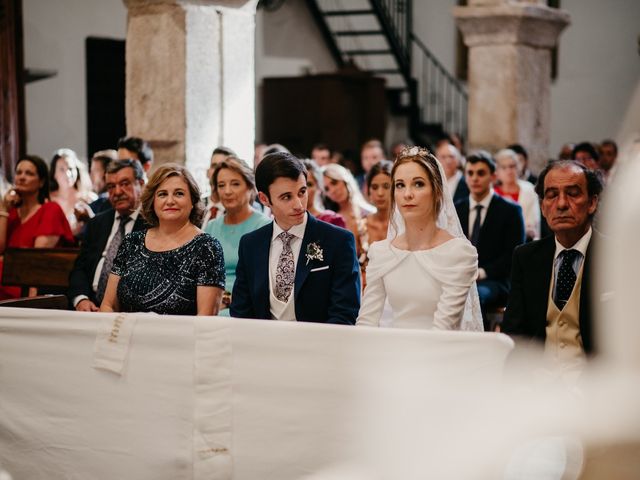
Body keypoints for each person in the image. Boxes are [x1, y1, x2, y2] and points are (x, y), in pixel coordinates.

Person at [357, 147, 482, 331]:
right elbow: (367, 321)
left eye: (418, 184)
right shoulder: (382, 252)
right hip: (388, 352)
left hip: (437, 353)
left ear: (437, 191)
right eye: (400, 185)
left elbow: (444, 326)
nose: (407, 194)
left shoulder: (459, 253)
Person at [230, 152, 360, 324]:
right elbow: (241, 311)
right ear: (264, 199)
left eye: (302, 192)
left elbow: (345, 312)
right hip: (262, 345)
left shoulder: (338, 241)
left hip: (318, 345)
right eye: (286, 197)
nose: (299, 204)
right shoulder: (250, 244)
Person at [502, 160, 604, 363]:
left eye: (573, 193)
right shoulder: (526, 257)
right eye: (552, 195)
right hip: (539, 381)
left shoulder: (613, 257)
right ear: (542, 207)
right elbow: (515, 333)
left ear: (592, 203)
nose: (562, 203)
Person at [100, 164, 225, 315]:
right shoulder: (131, 242)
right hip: (126, 335)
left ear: (192, 201)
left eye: (179, 194)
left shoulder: (207, 247)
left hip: (179, 337)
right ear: (152, 202)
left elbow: (205, 319)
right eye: (162, 194)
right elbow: (108, 306)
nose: (170, 201)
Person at [455, 151, 525, 329]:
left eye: (480, 173)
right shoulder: (457, 209)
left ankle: (478, 345)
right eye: (470, 173)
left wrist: (482, 272)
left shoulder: (510, 210)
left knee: (474, 296)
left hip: (495, 280)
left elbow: (513, 255)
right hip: (460, 277)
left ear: (493, 176)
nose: (474, 178)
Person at [68, 159, 149, 311]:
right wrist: (81, 300)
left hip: (128, 310)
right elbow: (80, 269)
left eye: (125, 183)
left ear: (141, 184)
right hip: (90, 306)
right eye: (111, 186)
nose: (117, 192)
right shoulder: (97, 223)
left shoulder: (152, 225)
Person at [0, 155, 74, 299]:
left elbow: (35, 260)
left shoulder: (50, 210)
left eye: (29, 173)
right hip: (7, 279)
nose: (22, 177)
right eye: (19, 172)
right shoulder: (12, 213)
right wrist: (3, 209)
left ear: (41, 182)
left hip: (31, 283)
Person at [204, 157, 270, 314]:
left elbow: (261, 284)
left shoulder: (263, 226)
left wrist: (225, 300)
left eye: (235, 184)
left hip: (245, 307)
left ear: (249, 186)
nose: (227, 191)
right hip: (210, 304)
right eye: (221, 185)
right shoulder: (212, 226)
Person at [323, 163, 375, 267]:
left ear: (345, 179)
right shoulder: (330, 221)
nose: (332, 191)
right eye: (327, 189)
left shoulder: (369, 212)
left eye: (334, 182)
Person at [494, 149, 541, 241]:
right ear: (497, 172)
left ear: (518, 168)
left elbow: (533, 222)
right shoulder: (493, 192)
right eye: (503, 167)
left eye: (512, 166)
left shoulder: (529, 189)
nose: (509, 171)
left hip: (526, 240)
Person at [49, 148, 96, 236]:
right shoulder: (47, 199)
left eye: (71, 169)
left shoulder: (89, 198)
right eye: (62, 169)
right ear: (54, 174)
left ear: (77, 171)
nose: (68, 174)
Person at [302, 159, 346, 228]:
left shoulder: (332, 220)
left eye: (309, 184)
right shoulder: (286, 221)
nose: (303, 190)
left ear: (319, 187)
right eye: (299, 185)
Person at [202, 146, 236, 226]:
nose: (217, 171)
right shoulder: (196, 204)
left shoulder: (236, 209)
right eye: (214, 166)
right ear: (207, 172)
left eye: (222, 167)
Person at [365, 160, 393, 243]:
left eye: (386, 186)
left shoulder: (406, 224)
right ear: (369, 191)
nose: (380, 193)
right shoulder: (361, 226)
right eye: (374, 187)